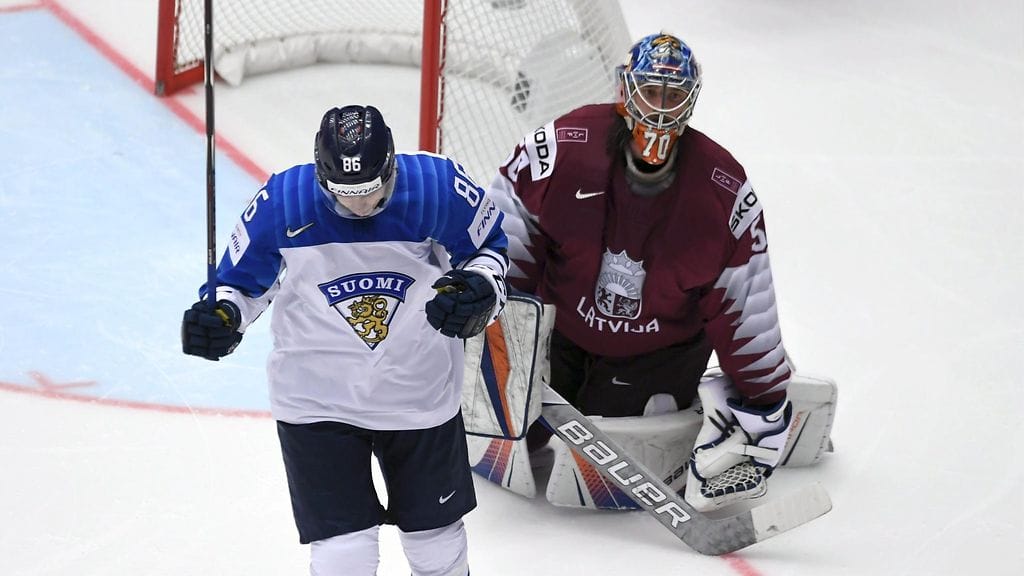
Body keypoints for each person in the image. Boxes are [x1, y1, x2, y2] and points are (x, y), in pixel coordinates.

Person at [181, 105, 508, 576]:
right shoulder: (282, 201)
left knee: (435, 544)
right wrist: (223, 316)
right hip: (317, 398)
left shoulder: (439, 188)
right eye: (345, 194)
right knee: (343, 554)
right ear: (321, 177)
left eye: (372, 190)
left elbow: (489, 250)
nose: (360, 206)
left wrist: (482, 289)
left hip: (418, 393)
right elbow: (238, 285)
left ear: (391, 166)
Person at [487, 32, 793, 511]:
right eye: (651, 91)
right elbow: (504, 238)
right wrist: (496, 332)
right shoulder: (561, 148)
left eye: (674, 95)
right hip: (560, 335)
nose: (661, 109)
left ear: (691, 99)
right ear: (625, 89)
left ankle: (714, 404)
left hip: (657, 353)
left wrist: (764, 396)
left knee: (615, 445)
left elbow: (746, 301)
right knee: (518, 425)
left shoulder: (722, 190)